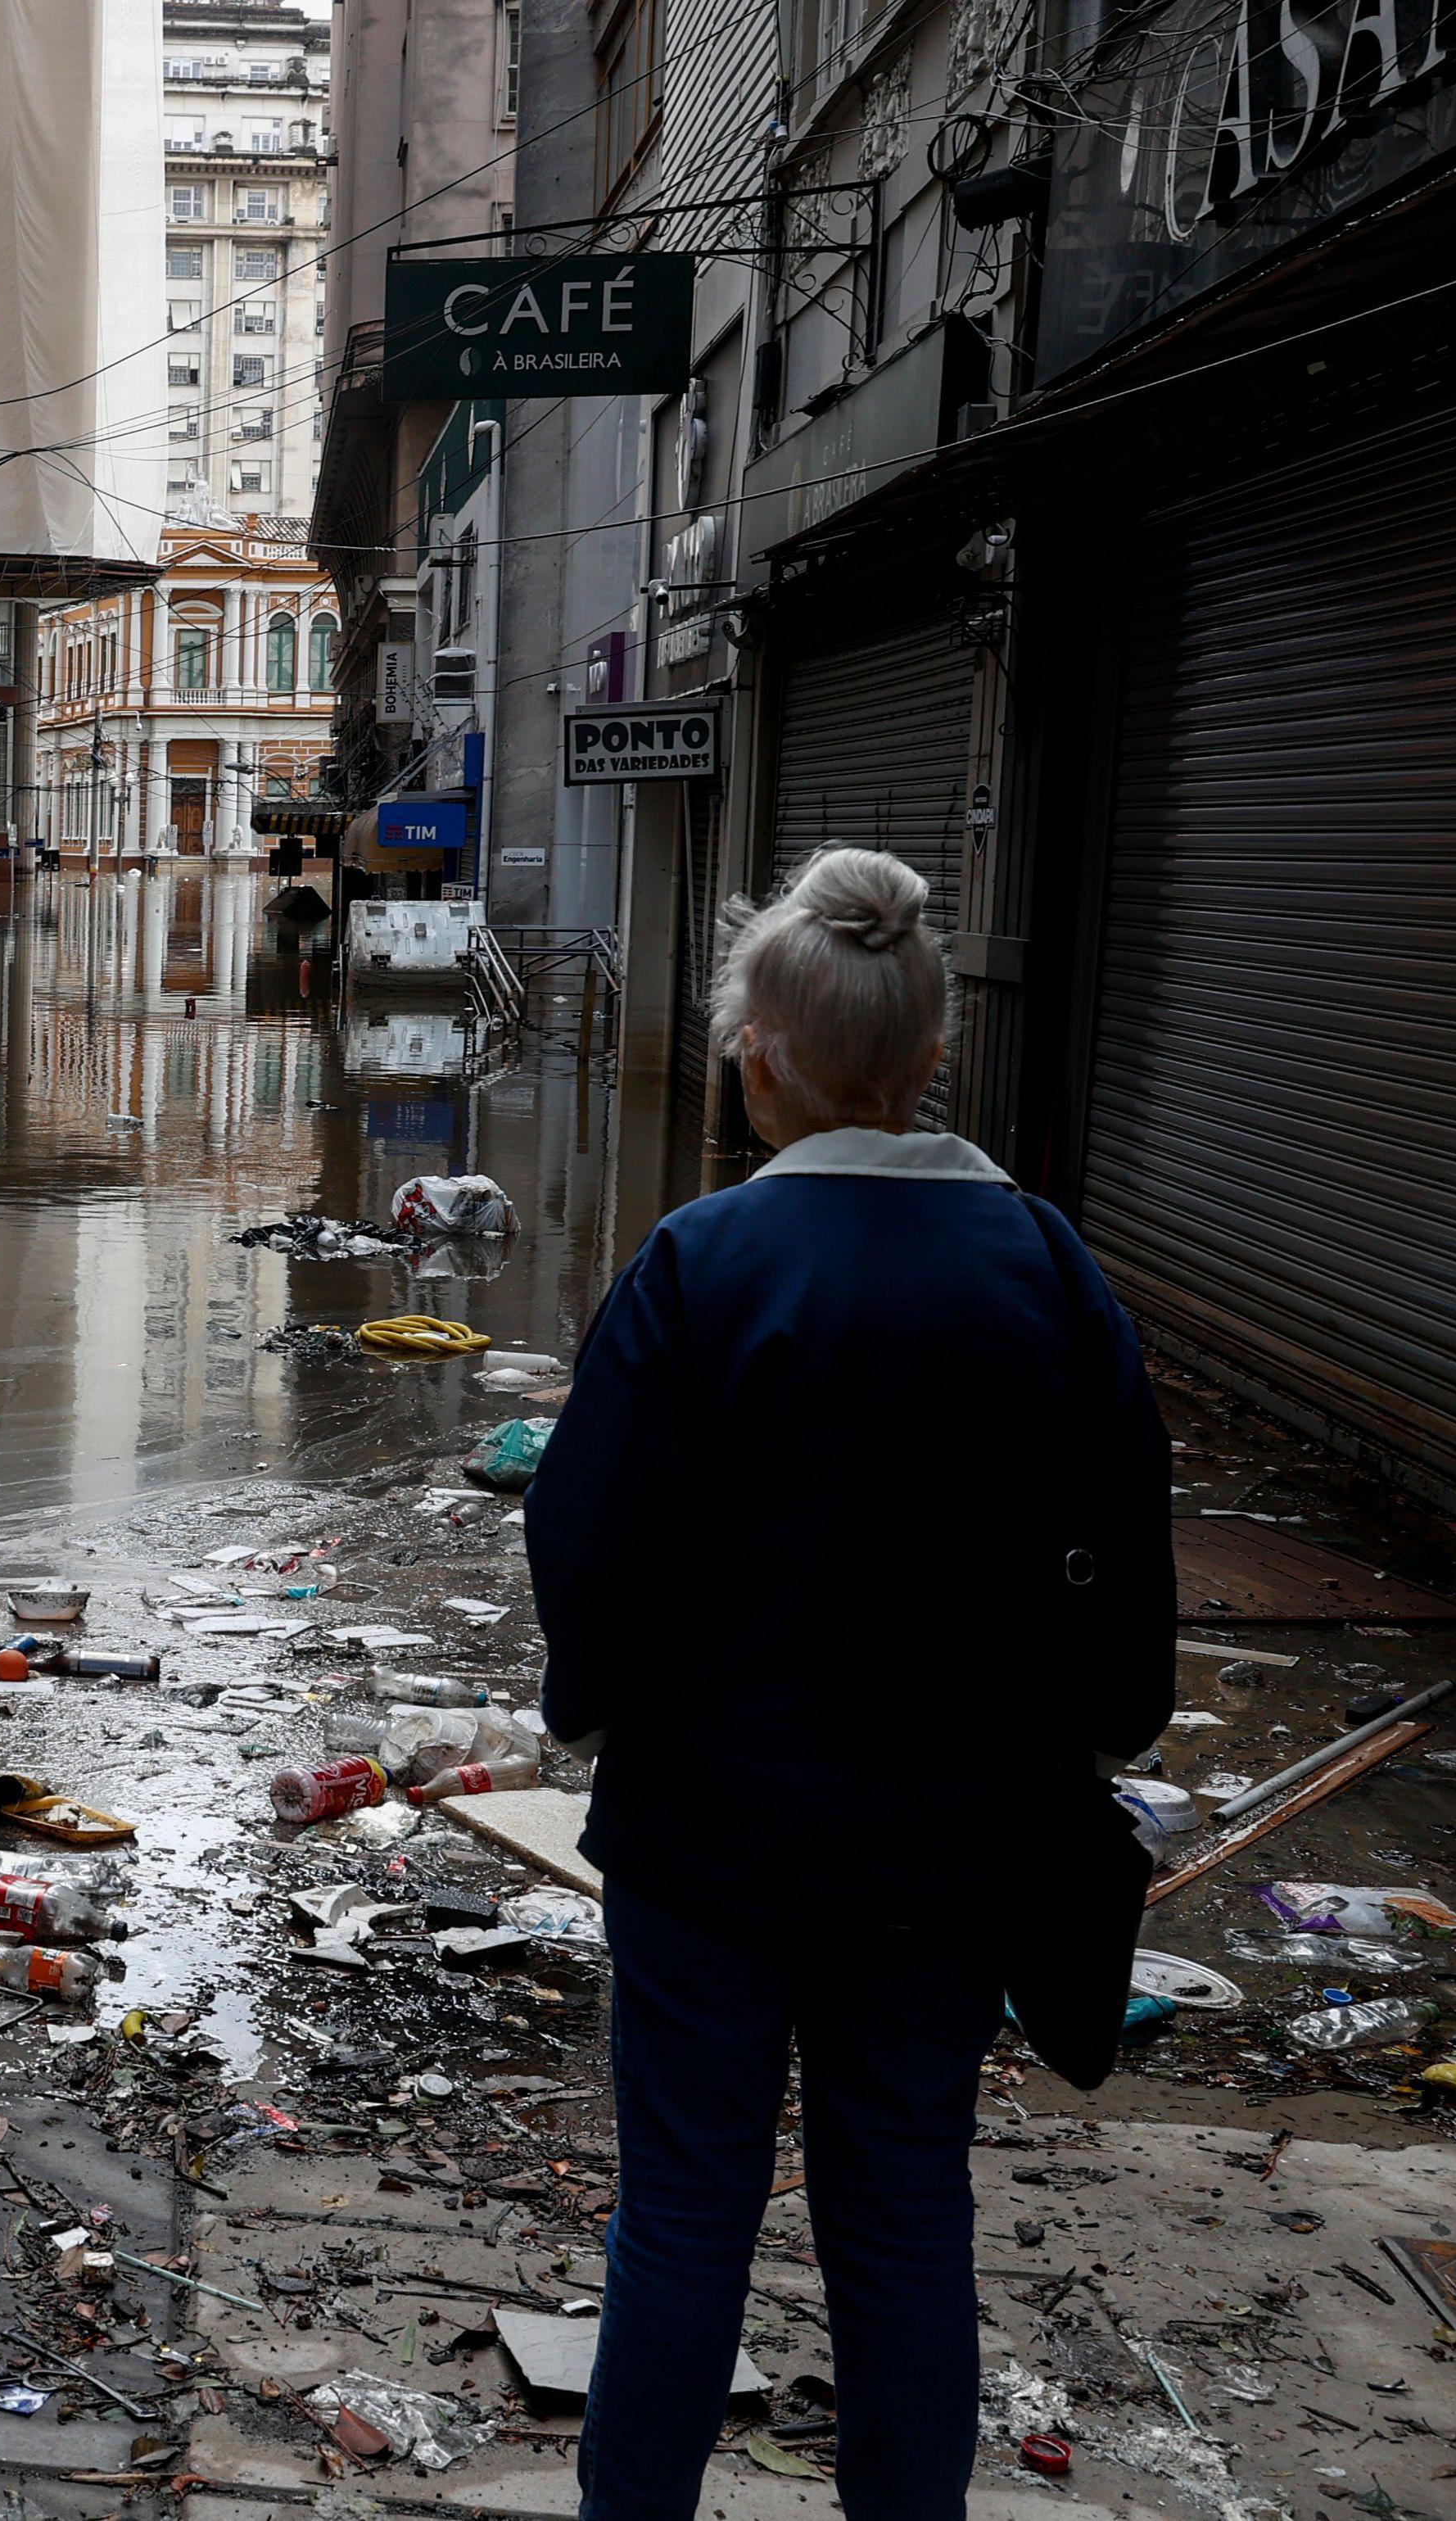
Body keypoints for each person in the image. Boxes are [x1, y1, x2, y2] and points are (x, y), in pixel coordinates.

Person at [523, 846, 1171, 2521]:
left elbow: (592, 1544)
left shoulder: (701, 1265)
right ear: (932, 1055)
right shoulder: (1045, 1267)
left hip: (709, 1843)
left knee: (682, 2213)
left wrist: (589, 1709)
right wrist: (1105, 1734)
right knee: (903, 2211)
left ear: (758, 1056)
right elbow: (1123, 1554)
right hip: (956, 1854)